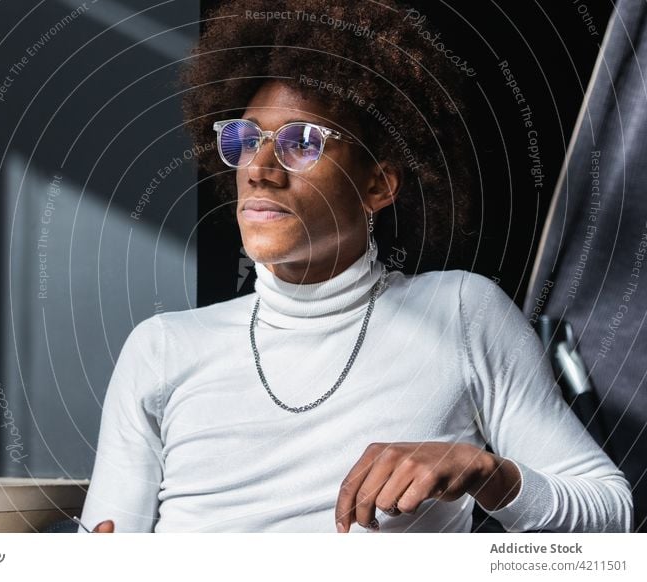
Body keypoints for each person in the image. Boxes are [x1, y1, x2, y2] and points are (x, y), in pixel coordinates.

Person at [78, 0, 633, 533]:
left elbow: (611, 513)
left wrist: (484, 470)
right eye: (245, 140)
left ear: (377, 185)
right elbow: (108, 545)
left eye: (303, 141)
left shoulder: (462, 312)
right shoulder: (161, 348)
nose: (260, 170)